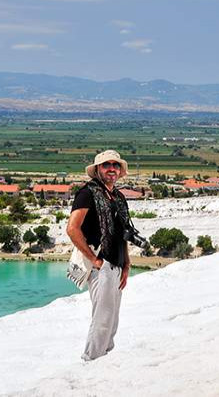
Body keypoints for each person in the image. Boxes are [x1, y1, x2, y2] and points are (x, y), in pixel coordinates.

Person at [67, 150, 132, 361]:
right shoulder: (87, 193)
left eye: (115, 165)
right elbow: (72, 228)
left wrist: (127, 264)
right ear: (97, 169)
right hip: (101, 265)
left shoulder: (119, 197)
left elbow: (123, 233)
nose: (111, 168)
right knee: (102, 319)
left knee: (112, 319)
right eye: (106, 165)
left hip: (117, 265)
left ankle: (104, 359)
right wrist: (95, 260)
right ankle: (91, 360)